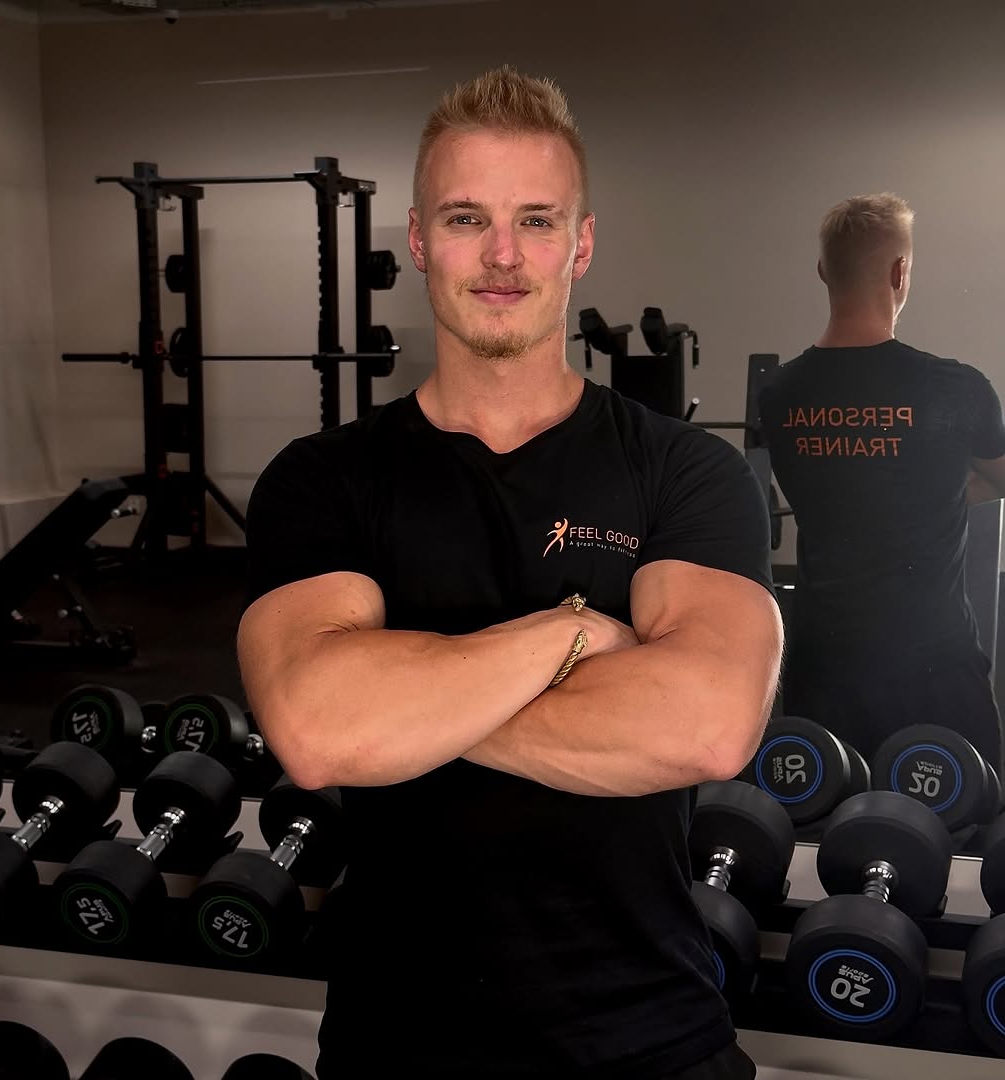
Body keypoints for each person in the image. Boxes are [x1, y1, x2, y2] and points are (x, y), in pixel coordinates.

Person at [239, 66, 781, 1080]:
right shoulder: (324, 480)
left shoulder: (684, 471)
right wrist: (569, 633)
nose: (502, 254)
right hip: (397, 1047)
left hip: (650, 1039)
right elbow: (315, 730)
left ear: (582, 242)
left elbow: (706, 723)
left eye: (536, 221)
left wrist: (405, 709)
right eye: (466, 219)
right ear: (418, 239)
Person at [759, 193, 1005, 780]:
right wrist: (940, 487)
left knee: (826, 828)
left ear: (824, 271)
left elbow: (840, 488)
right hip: (933, 668)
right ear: (900, 272)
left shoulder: (779, 394)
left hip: (824, 667)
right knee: (961, 827)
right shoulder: (956, 387)